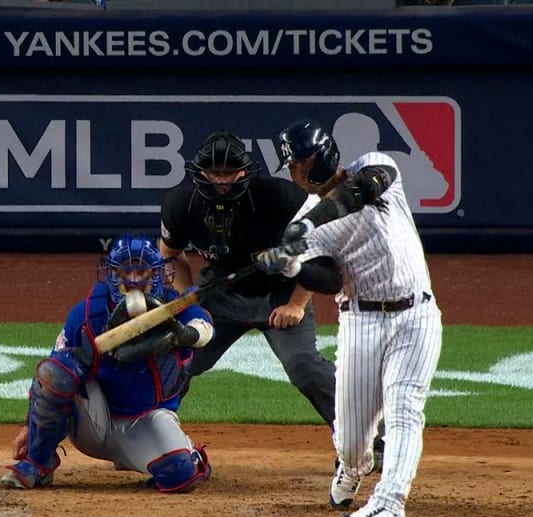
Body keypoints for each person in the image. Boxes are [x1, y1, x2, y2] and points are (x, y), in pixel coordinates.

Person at [158, 130, 384, 469]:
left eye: (228, 172)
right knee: (178, 360)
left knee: (304, 367)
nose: (221, 181)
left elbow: (321, 258)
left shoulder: (283, 197)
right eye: (214, 173)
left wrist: (296, 304)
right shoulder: (180, 204)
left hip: (281, 291)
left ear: (243, 171)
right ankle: (150, 437)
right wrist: (189, 301)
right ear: (200, 173)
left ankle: (371, 441)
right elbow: (170, 255)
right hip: (219, 294)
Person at [273, 119, 443, 517]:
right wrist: (290, 263)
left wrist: (308, 227)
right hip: (360, 322)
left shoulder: (376, 165)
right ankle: (354, 467)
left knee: (405, 408)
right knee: (351, 440)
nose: (294, 172)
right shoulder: (305, 218)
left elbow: (362, 188)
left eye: (297, 163)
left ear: (315, 160)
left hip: (415, 316)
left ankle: (389, 504)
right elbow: (329, 280)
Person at [0, 233, 215, 493]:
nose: (134, 280)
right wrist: (30, 427)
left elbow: (204, 329)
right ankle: (38, 462)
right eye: (126, 271)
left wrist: (184, 334)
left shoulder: (174, 307)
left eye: (143, 272)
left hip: (148, 420)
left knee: (179, 476)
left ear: (158, 274)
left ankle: (184, 456)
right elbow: (50, 374)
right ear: (111, 273)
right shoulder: (89, 313)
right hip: (94, 420)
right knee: (58, 373)